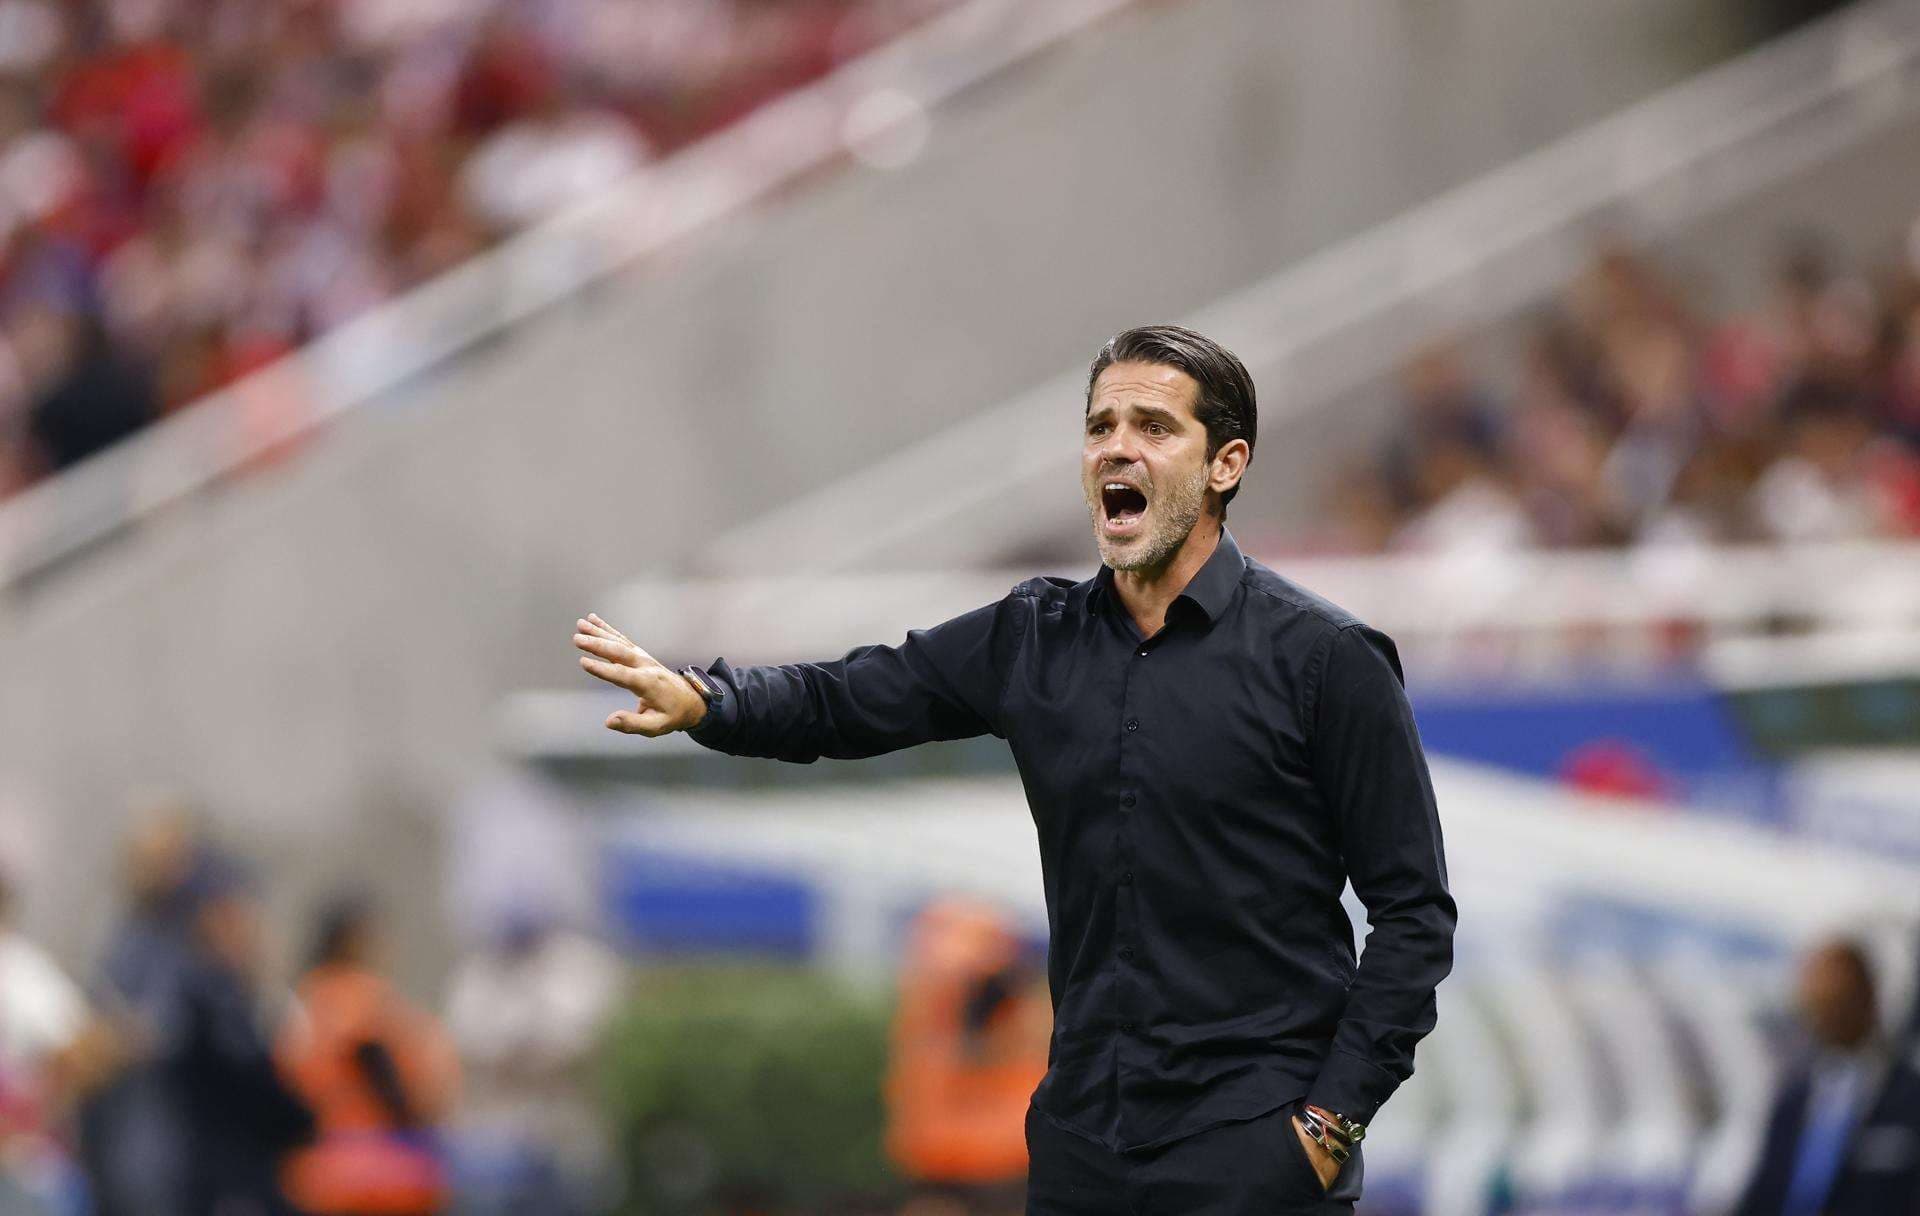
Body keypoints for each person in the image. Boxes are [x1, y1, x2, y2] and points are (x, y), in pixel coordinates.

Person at [573, 324, 1457, 1214]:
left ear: (1225, 464)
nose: (1118, 445)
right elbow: (853, 695)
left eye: (1153, 426)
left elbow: (1414, 913)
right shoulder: (1034, 638)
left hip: (1255, 1154)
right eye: (1101, 425)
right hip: (1083, 1152)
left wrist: (1327, 1127)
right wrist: (710, 702)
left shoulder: (1326, 659)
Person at [278, 893, 460, 1216]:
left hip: (319, 1163)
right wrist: (420, 1123)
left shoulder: (305, 996)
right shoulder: (354, 994)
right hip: (376, 1162)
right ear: (353, 939)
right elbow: (377, 1064)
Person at [166, 851, 314, 1216]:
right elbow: (250, 1079)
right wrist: (307, 1119)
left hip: (241, 1171)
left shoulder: (233, 990)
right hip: (225, 1177)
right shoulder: (205, 992)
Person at [1732, 938, 1920, 1216]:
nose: (1825, 1015)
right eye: (1816, 1003)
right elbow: (1762, 1195)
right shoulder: (1793, 1100)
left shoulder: (1908, 1101)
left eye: (1836, 1001)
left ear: (1867, 997)